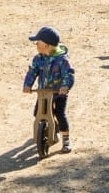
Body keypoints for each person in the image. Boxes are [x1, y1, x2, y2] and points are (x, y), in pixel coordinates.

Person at [23, 26, 76, 154]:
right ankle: (48, 130)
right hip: (43, 93)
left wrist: (65, 86)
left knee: (60, 114)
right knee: (38, 113)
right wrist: (28, 84)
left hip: (59, 94)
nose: (36, 44)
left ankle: (66, 139)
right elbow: (32, 72)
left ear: (46, 45)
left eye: (38, 42)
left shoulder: (62, 60)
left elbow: (69, 74)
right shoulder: (38, 59)